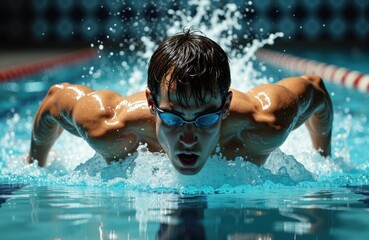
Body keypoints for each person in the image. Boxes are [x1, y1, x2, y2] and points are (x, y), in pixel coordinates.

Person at [27, 29, 333, 175]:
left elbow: (315, 90)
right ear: (151, 103)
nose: (188, 137)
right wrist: (35, 165)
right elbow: (55, 100)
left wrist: (323, 158)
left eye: (205, 119)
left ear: (225, 107)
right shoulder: (110, 127)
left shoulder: (265, 123)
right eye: (172, 119)